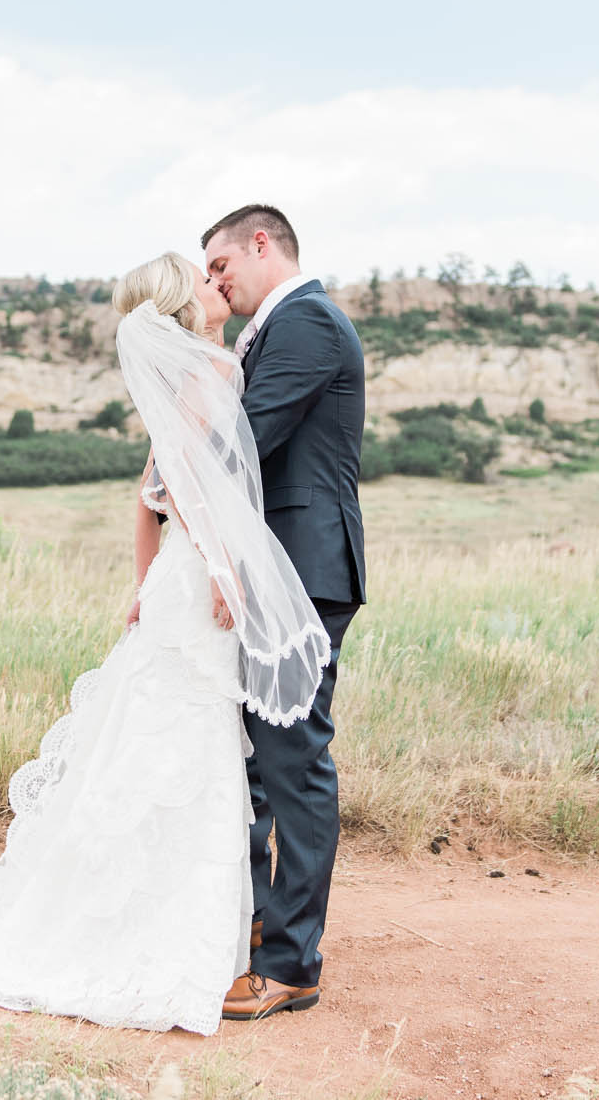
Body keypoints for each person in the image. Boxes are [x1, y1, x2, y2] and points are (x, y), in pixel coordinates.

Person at [0, 250, 333, 1035]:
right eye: (202, 279)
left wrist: (144, 578)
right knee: (186, 745)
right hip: (198, 586)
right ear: (183, 306)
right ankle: (152, 929)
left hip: (176, 584)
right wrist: (224, 572)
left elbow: (149, 492)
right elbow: (190, 491)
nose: (213, 282)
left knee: (153, 742)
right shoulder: (213, 374)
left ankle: (130, 910)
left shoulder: (194, 373)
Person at [200, 205, 366, 1023]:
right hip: (276, 572)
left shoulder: (306, 324)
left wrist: (170, 467)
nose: (217, 285)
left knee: (294, 758)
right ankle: (268, 926)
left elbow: (247, 439)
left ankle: (293, 962)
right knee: (263, 756)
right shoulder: (276, 329)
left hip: (304, 570)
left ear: (262, 245)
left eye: (223, 267)